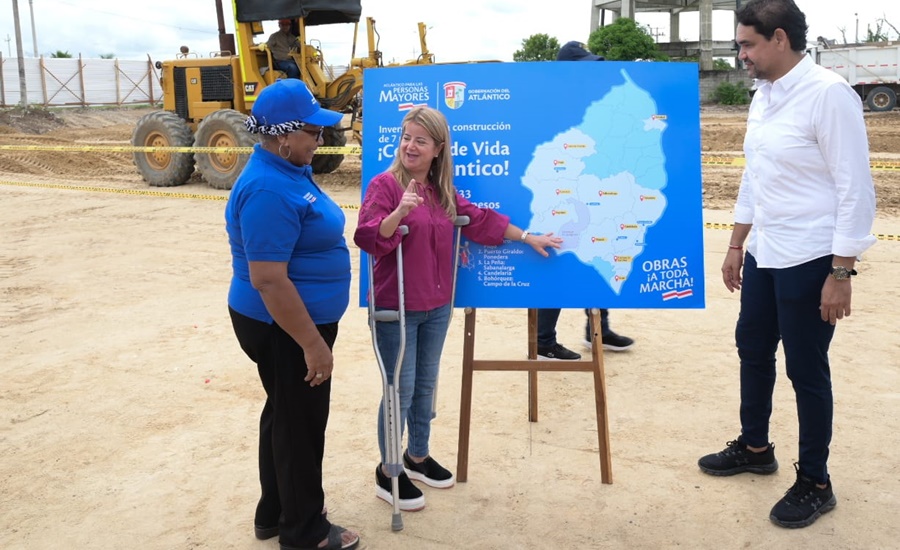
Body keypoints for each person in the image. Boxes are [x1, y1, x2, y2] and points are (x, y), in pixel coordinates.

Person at [697, 0, 876, 530]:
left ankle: (816, 482)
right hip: (765, 252)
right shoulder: (764, 96)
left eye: (747, 44)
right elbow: (756, 176)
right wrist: (736, 244)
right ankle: (755, 447)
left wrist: (841, 273)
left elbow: (855, 188)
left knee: (805, 369)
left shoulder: (828, 95)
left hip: (811, 257)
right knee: (752, 349)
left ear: (779, 38)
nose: (741, 54)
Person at [354, 106, 562, 511]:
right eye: (406, 137)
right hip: (397, 306)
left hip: (436, 305)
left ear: (438, 149)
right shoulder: (385, 185)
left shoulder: (439, 189)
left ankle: (417, 455)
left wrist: (527, 237)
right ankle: (388, 469)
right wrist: (399, 213)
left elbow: (479, 220)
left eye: (421, 140)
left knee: (426, 387)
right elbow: (367, 236)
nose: (410, 146)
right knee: (401, 389)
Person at [225, 79, 360, 550]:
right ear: (283, 135)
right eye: (313, 131)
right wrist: (312, 344)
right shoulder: (267, 187)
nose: (320, 139)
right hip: (283, 324)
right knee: (301, 424)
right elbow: (269, 279)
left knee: (284, 413)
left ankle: (275, 512)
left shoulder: (288, 169)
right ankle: (304, 531)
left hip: (288, 321)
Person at [535, 40, 634, 361]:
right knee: (557, 262)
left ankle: (599, 328)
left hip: (590, 190)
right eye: (585, 66)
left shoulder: (591, 101)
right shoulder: (551, 103)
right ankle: (543, 339)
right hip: (557, 192)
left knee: (601, 251)